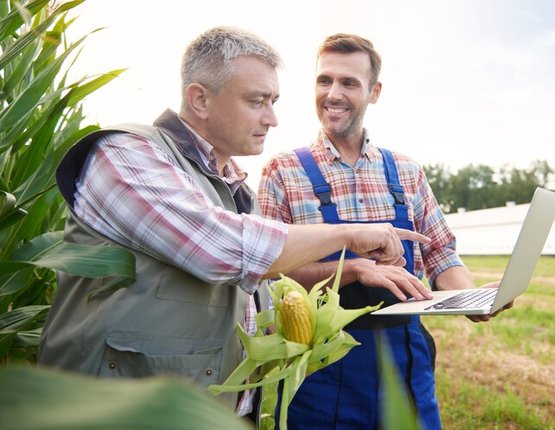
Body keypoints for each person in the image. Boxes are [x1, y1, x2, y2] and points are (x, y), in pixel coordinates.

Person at [37, 27, 429, 423]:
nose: (273, 118)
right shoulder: (125, 154)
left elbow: (262, 295)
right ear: (200, 99)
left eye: (273, 101)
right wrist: (351, 234)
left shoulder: (236, 190)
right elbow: (222, 248)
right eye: (257, 101)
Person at [259, 33, 512, 429]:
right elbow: (269, 270)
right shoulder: (284, 171)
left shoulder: (406, 172)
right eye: (324, 81)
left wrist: (473, 299)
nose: (333, 93)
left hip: (405, 358)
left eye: (349, 83)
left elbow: (442, 255)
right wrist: (353, 269)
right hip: (322, 365)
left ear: (374, 92)